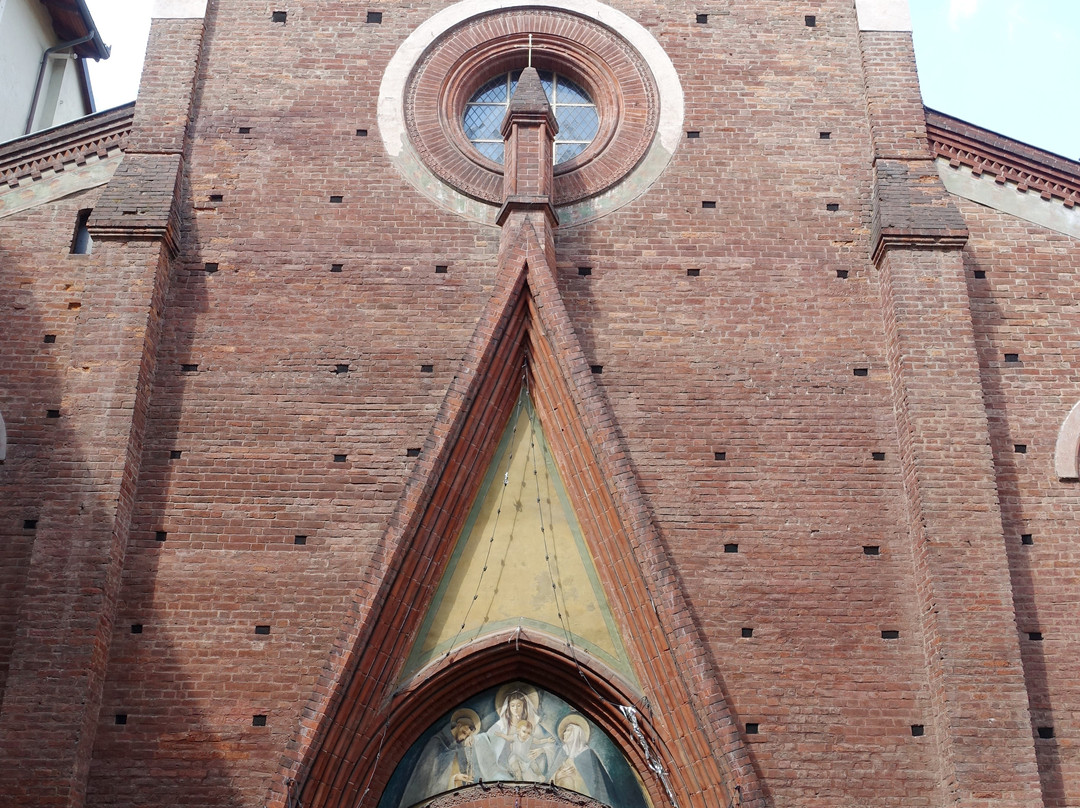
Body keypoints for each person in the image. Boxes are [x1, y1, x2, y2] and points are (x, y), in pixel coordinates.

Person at [398, 709, 479, 807]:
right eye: (464, 732)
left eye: (467, 736)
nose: (463, 737)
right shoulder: (437, 742)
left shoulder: (459, 746)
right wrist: (455, 778)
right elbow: (428, 778)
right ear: (458, 725)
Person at [549, 715, 614, 805]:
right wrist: (557, 776)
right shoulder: (562, 755)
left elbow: (597, 786)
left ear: (576, 734)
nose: (564, 733)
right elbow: (547, 785)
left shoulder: (587, 754)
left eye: (568, 731)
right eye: (565, 731)